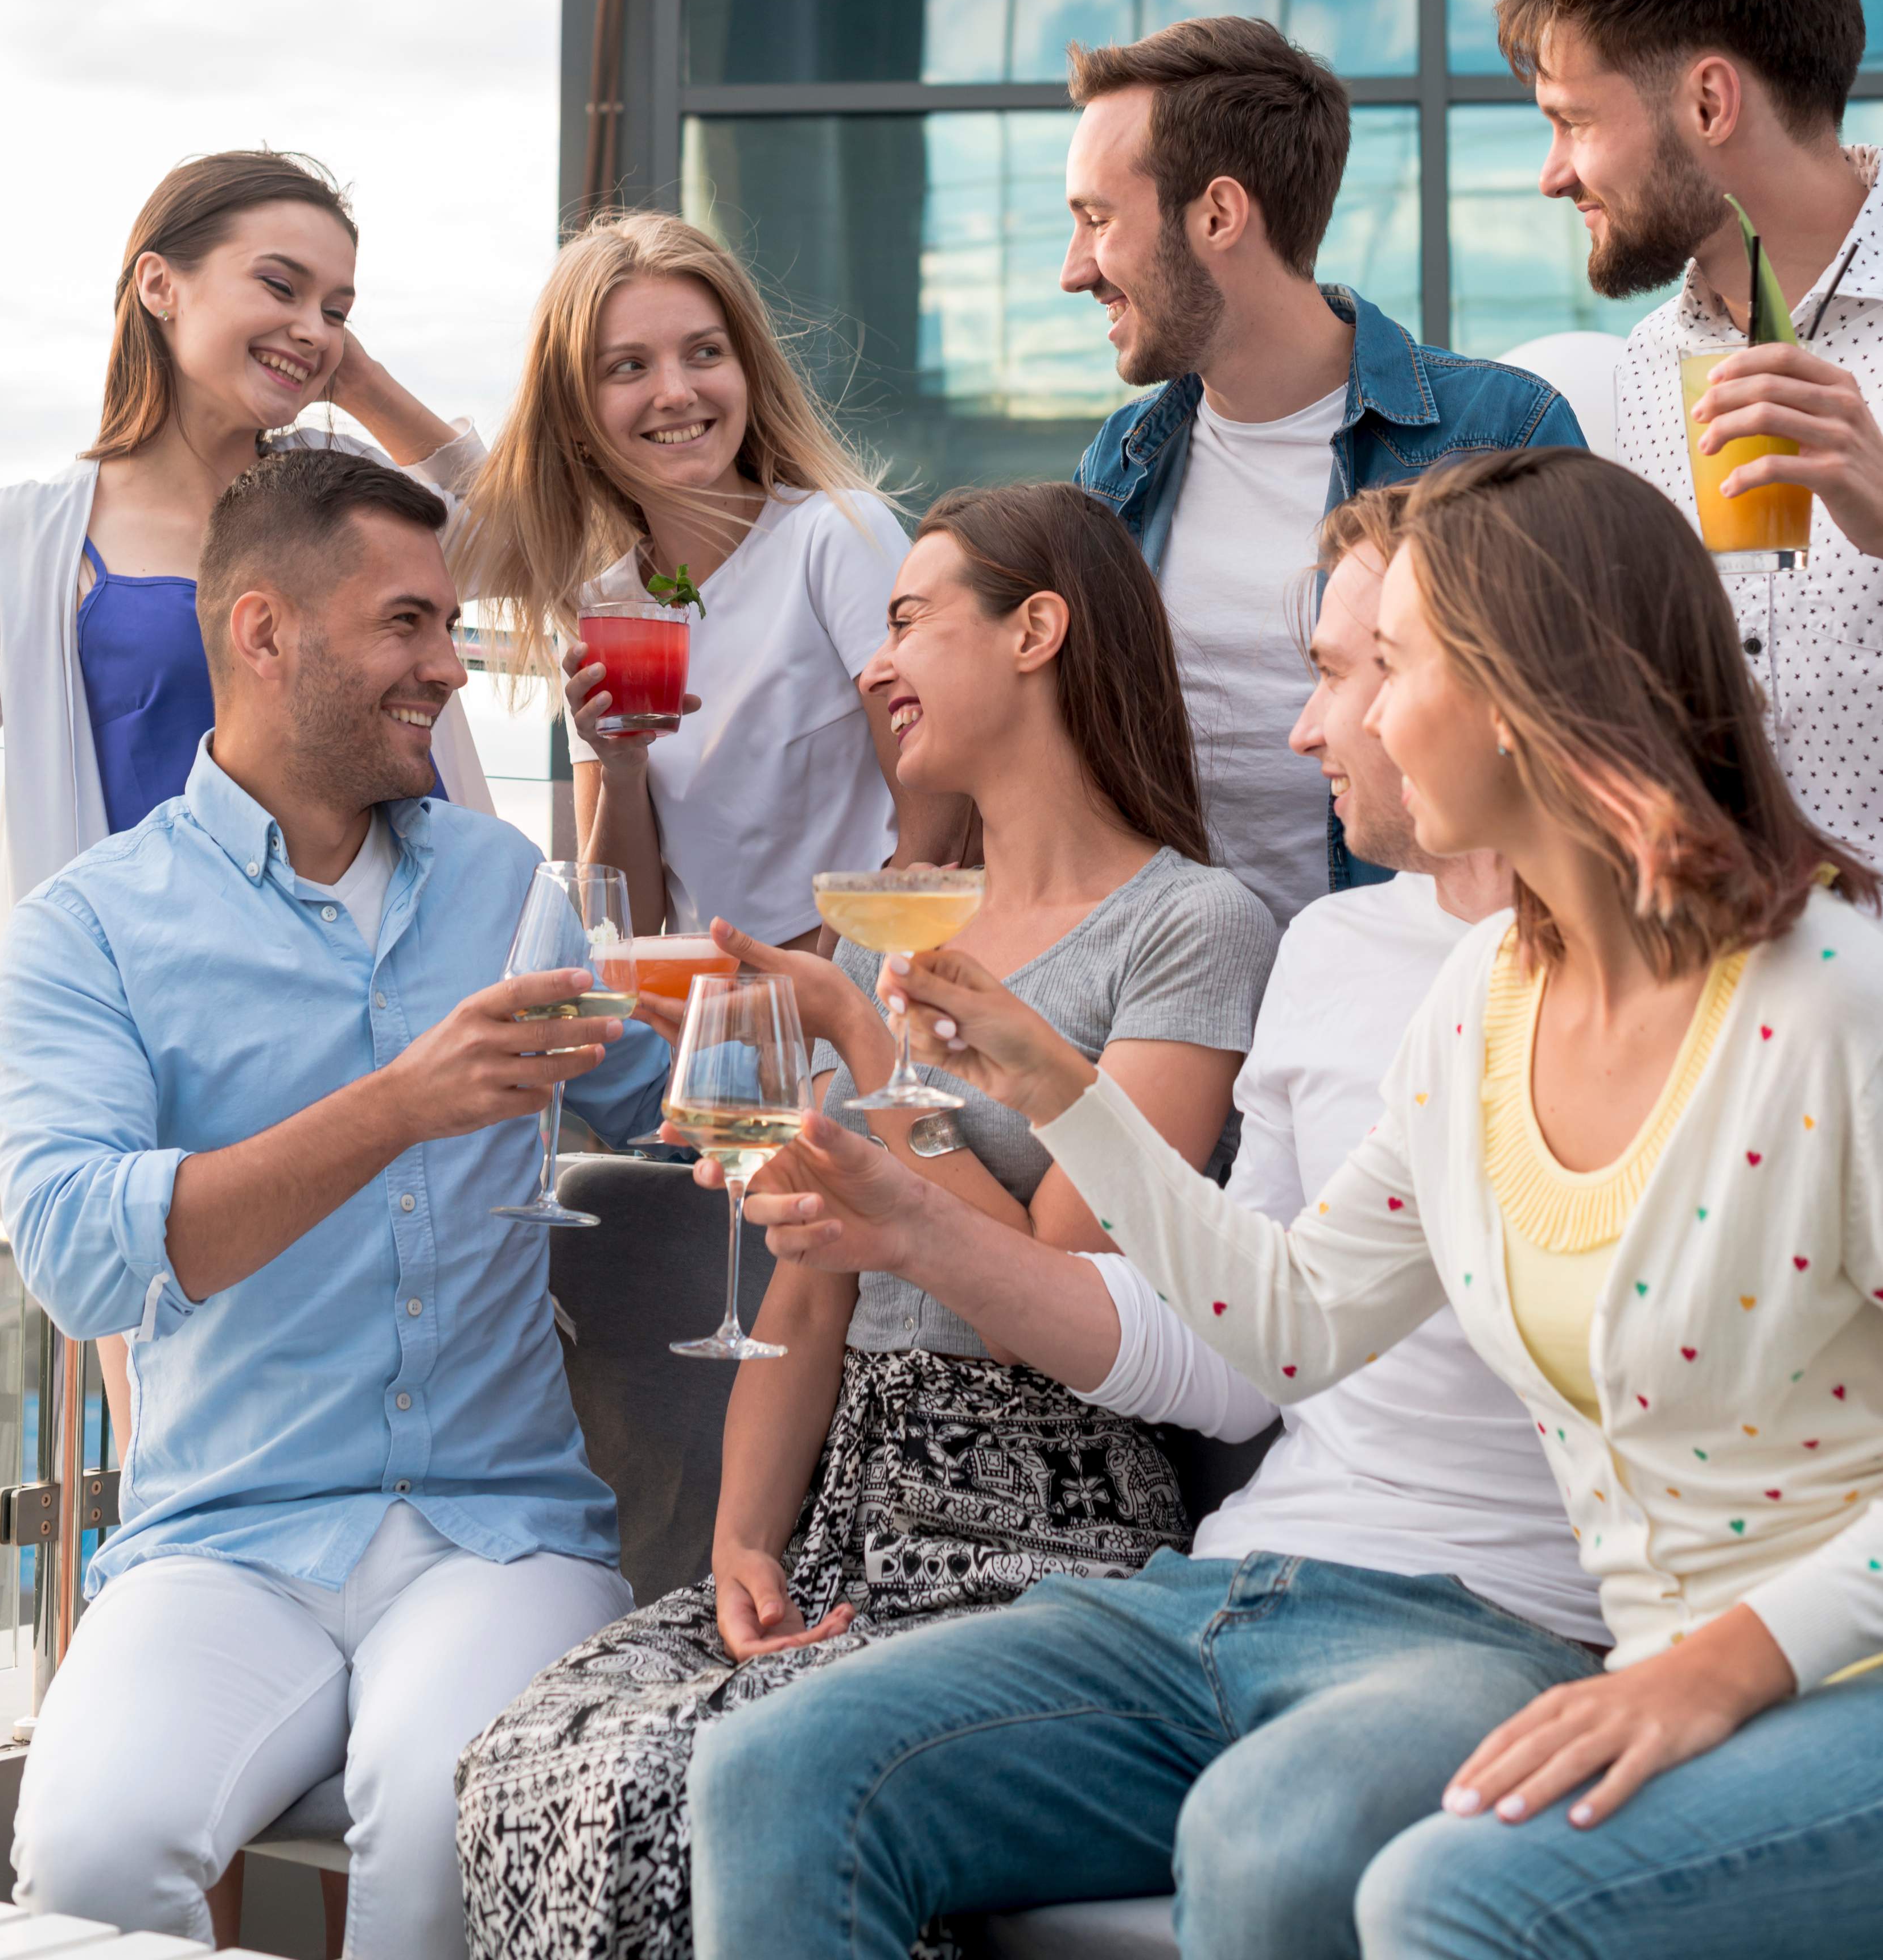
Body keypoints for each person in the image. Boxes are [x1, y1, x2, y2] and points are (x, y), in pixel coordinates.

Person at [879, 446, 1883, 1959]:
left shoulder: (1833, 1008)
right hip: (1674, 1685)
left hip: (1813, 1684)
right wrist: (1057, 1093)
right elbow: (1287, 1324)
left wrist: (1725, 1664)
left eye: (1380, 665)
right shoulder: (1483, 995)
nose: (1315, 723)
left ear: (1521, 694)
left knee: (1447, 1894)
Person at [680, 484, 1607, 1960]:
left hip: (1495, 1622)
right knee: (765, 1770)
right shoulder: (1344, 953)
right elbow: (1253, 1336)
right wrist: (937, 1184)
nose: (1301, 734)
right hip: (1227, 1583)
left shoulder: (1717, 994)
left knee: (1266, 1837)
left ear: (1502, 679)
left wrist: (921, 1097)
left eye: (1350, 671)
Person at [455, 480, 1277, 1960]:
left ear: (1034, 632)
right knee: (539, 1751)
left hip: (1043, 1512)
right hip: (845, 1509)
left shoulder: (1188, 927)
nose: (873, 661)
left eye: (908, 620)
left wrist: (869, 1039)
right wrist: (738, 1546)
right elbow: (804, 1295)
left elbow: (1074, 1269)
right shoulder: (890, 915)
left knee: (672, 1780)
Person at [0, 451, 672, 1960]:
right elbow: (85, 1260)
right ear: (262, 631)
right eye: (408, 626)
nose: (447, 668)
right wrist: (401, 1106)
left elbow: (664, 1102)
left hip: (502, 1536)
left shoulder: (508, 886)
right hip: (221, 1539)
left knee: (442, 1832)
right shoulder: (86, 933)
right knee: (90, 1853)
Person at [0, 147, 486, 1461]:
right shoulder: (24, 534)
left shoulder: (345, 510)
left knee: (420, 1395)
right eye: (279, 286)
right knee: (178, 1453)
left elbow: (520, 535)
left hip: (374, 995)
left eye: (339, 305)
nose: (311, 326)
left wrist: (343, 372)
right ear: (159, 285)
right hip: (155, 1041)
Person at [1065, 17, 1584, 928]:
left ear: (1218, 216)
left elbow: (1581, 747)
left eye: (1098, 222)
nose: (1076, 271)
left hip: (1421, 996)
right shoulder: (1117, 465)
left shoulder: (1502, 432)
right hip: (1174, 1007)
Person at [1502, 0, 1883, 869]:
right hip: (1739, 989)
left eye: (1573, 122)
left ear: (1708, 103)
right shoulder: (1646, 362)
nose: (1552, 175)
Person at [452, 210, 967, 949]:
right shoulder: (606, 607)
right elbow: (623, 921)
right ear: (575, 415)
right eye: (628, 367)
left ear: (746, 370)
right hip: (707, 1032)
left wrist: (838, 992)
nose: (676, 391)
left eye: (703, 353)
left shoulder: (836, 538)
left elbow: (941, 800)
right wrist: (622, 770)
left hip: (852, 1009)